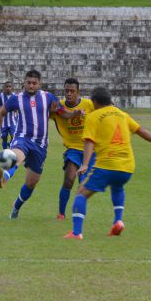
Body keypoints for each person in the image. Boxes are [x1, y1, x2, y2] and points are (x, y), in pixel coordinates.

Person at [64, 87, 151, 240]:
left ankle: (76, 233)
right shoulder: (122, 114)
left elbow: (89, 141)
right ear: (110, 101)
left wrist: (84, 164)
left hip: (106, 165)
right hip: (127, 167)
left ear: (94, 102)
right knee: (117, 187)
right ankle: (118, 221)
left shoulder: (93, 116)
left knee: (81, 194)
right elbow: (141, 130)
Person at [0, 70, 84, 219]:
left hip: (41, 146)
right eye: (28, 82)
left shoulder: (48, 97)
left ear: (39, 84)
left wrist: (74, 114)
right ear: (24, 83)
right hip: (23, 138)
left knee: (31, 182)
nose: (31, 85)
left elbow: (62, 112)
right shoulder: (16, 99)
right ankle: (5, 176)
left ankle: (16, 207)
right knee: (17, 155)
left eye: (34, 83)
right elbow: (0, 113)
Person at [50, 78, 95, 221]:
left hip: (90, 150)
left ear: (78, 92)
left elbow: (106, 109)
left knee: (83, 185)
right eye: (66, 91)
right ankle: (61, 213)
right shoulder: (59, 106)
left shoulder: (89, 104)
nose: (68, 94)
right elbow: (42, 112)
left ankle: (78, 217)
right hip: (72, 149)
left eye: (72, 91)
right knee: (69, 179)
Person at [0, 81, 17, 149]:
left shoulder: (15, 96)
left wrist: (16, 109)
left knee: (14, 136)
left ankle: (11, 146)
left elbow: (18, 107)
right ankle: (4, 151)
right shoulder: (0, 96)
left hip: (13, 121)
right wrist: (2, 110)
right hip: (3, 122)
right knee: (4, 137)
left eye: (10, 86)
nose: (8, 88)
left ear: (12, 88)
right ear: (4, 87)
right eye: (7, 86)